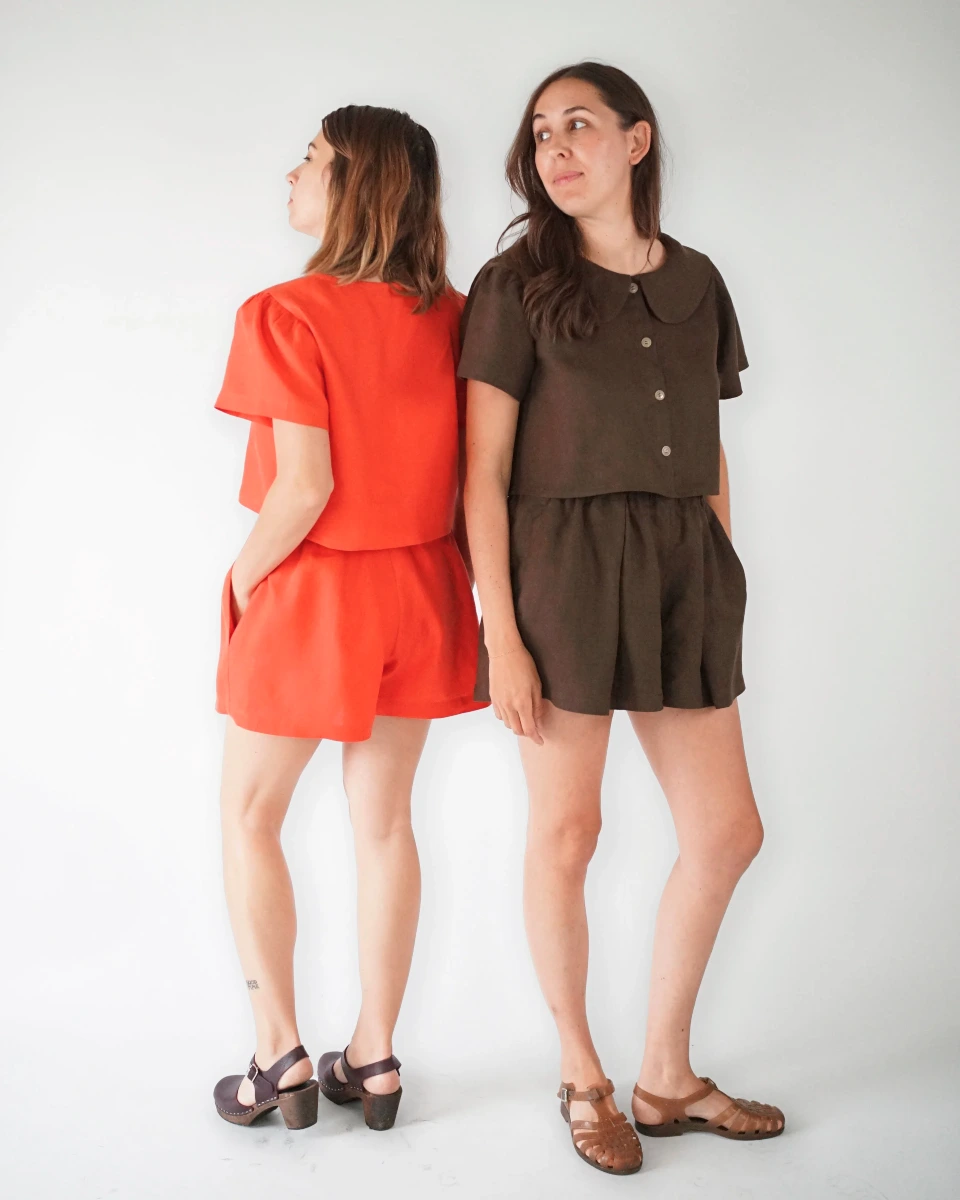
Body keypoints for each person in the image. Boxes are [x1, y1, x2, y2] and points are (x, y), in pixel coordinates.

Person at [459, 62, 784, 1176]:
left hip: (685, 566)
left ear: (637, 142)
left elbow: (708, 445)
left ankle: (666, 1076)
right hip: (562, 569)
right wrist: (502, 634)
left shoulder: (699, 279)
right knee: (569, 832)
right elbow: (481, 476)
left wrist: (723, 565)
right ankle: (582, 1073)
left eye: (581, 125)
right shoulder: (514, 285)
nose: (556, 148)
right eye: (542, 131)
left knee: (728, 831)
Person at [211, 104, 486, 1132]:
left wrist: (240, 579)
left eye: (313, 159)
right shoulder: (456, 315)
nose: (293, 173)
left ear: (356, 184)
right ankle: (373, 1057)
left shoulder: (285, 311)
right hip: (422, 589)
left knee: (249, 817)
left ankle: (275, 1052)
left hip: (315, 588)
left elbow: (303, 487)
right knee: (385, 826)